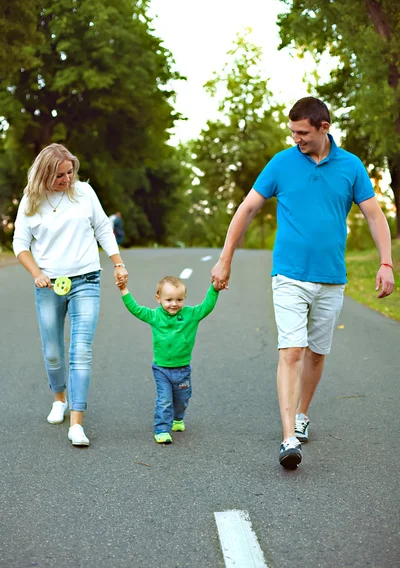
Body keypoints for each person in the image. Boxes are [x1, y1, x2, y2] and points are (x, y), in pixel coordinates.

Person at [211, 97, 394, 470]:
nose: (296, 139)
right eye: (293, 132)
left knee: (316, 352)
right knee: (291, 350)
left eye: (303, 133)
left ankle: (302, 414)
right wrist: (225, 257)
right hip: (289, 275)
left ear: (324, 128)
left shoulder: (351, 167)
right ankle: (287, 437)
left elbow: (374, 216)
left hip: (331, 278)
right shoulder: (281, 163)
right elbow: (247, 208)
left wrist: (386, 262)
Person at [13, 143, 128, 447]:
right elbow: (20, 244)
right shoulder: (30, 201)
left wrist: (117, 262)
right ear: (45, 175)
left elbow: (103, 227)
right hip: (48, 284)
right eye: (60, 175)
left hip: (87, 279)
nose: (67, 179)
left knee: (80, 351)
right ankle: (59, 398)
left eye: (70, 172)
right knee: (52, 350)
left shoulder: (84, 193)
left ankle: (77, 422)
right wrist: (36, 273)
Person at [116, 275, 219, 443]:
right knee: (164, 400)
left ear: (185, 298)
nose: (174, 304)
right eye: (169, 299)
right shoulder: (155, 316)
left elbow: (207, 306)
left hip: (183, 368)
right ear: (158, 298)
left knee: (182, 399)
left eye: (179, 299)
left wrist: (214, 289)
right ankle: (162, 429)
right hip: (161, 368)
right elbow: (135, 309)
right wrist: (123, 290)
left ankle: (178, 419)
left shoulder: (190, 315)